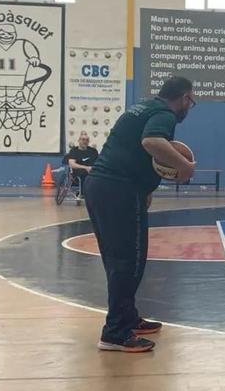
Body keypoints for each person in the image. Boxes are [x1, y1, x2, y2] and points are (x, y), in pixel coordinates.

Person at [84, 76, 196, 353]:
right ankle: (115, 333)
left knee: (118, 258)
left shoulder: (142, 107)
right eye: (190, 102)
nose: (188, 108)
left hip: (100, 185)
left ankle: (127, 319)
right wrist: (185, 166)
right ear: (183, 98)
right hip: (118, 190)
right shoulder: (164, 114)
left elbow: (135, 151)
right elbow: (151, 142)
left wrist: (146, 189)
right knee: (129, 260)